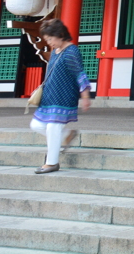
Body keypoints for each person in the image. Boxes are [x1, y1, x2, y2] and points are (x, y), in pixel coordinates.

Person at [29, 19, 91, 174]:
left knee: (52, 127)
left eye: (50, 39)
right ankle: (67, 135)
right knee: (36, 125)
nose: (49, 42)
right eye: (47, 40)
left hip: (64, 96)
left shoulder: (71, 51)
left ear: (60, 35)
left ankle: (51, 163)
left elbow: (79, 74)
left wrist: (85, 95)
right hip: (49, 96)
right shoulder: (55, 52)